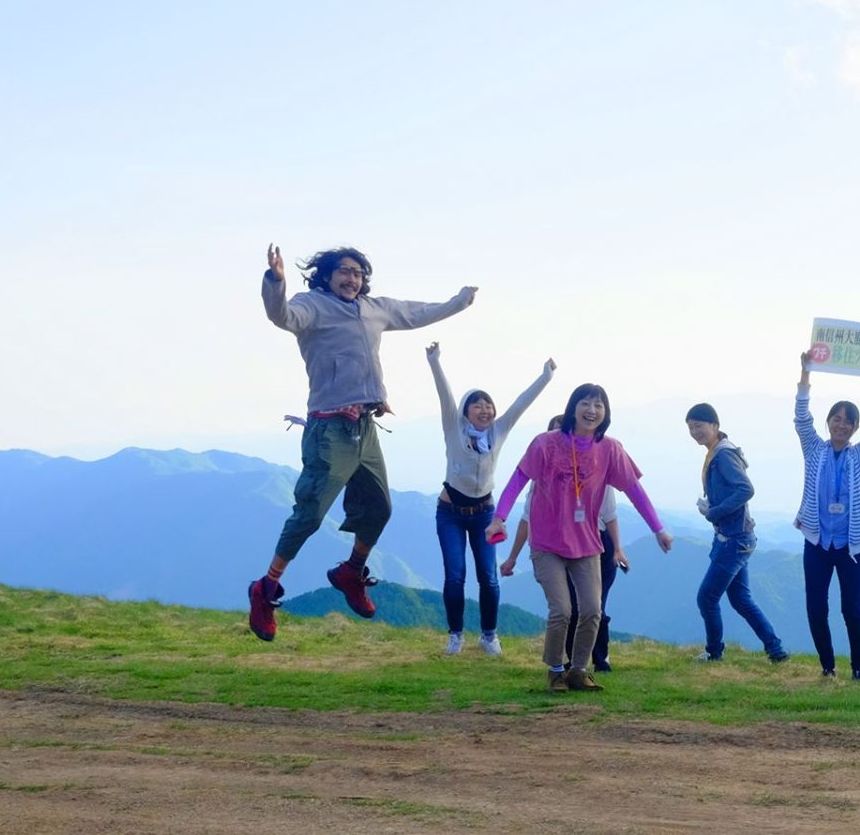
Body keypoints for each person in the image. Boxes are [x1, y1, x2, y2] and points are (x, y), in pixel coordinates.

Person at [247, 244, 476, 642]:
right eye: (344, 272)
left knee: (380, 507)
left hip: (366, 427)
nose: (352, 278)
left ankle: (351, 571)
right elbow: (281, 316)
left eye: (357, 272)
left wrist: (458, 302)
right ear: (327, 275)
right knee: (311, 514)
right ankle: (265, 588)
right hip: (329, 429)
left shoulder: (374, 308)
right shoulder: (313, 306)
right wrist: (275, 281)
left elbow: (416, 312)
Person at [488, 386, 674, 691]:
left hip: (587, 543)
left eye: (598, 405)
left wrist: (658, 528)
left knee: (591, 610)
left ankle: (579, 670)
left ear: (606, 412)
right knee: (562, 610)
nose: (592, 410)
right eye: (585, 403)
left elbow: (634, 490)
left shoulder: (610, 449)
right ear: (573, 407)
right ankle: (555, 671)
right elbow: (519, 478)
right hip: (547, 543)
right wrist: (500, 518)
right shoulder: (546, 443)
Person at [427, 343, 554, 657]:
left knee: (489, 577)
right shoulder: (453, 429)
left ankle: (488, 635)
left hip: (486, 513)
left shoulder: (499, 430)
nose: (485, 410)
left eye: (488, 405)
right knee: (455, 575)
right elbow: (445, 396)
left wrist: (546, 377)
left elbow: (520, 405)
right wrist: (435, 362)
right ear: (465, 411)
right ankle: (455, 636)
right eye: (477, 405)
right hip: (450, 513)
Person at [500, 418, 632, 673]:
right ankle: (562, 665)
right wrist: (512, 557)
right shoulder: (541, 481)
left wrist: (617, 548)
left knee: (595, 606)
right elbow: (527, 519)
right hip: (553, 544)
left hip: (594, 542)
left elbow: (610, 513)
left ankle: (596, 661)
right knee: (565, 608)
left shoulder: (596, 469)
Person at [794, 351, 860, 680]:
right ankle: (827, 666)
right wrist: (806, 374)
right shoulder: (814, 449)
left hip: (851, 546)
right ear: (829, 422)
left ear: (854, 428)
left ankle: (859, 668)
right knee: (816, 608)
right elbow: (801, 419)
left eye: (848, 421)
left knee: (852, 609)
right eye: (836, 418)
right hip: (818, 542)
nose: (841, 424)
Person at [686, 403, 788, 663]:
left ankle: (714, 652)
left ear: (715, 426)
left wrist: (715, 511)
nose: (695, 431)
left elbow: (745, 489)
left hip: (733, 539)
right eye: (690, 427)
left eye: (699, 425)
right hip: (737, 536)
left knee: (707, 597)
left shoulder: (723, 455)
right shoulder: (717, 452)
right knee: (741, 599)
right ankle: (775, 650)